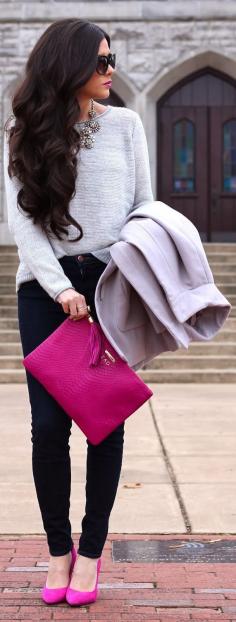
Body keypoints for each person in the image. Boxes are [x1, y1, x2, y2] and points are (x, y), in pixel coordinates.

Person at [3, 18, 154, 606]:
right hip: (45, 292)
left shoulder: (126, 125)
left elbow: (143, 204)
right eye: (100, 61)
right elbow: (26, 221)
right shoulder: (24, 131)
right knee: (47, 428)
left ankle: (91, 553)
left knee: (105, 422)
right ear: (68, 67)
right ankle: (58, 551)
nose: (111, 69)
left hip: (110, 285)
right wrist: (60, 285)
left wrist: (126, 275)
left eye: (111, 58)